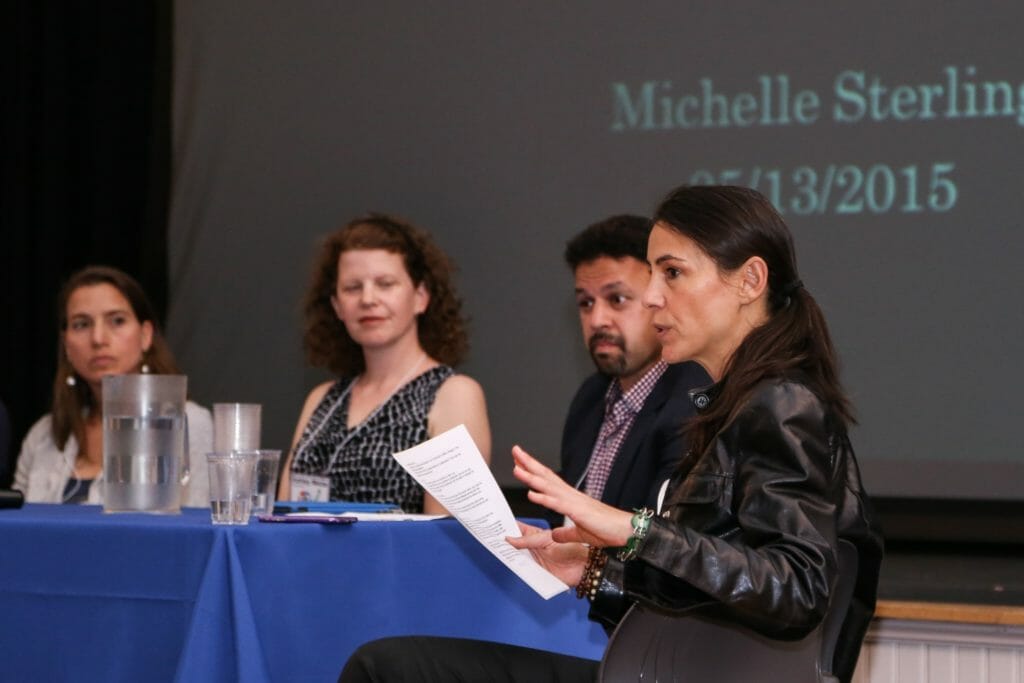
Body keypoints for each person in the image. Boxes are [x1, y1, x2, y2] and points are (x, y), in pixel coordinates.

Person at [338, 185, 884, 683]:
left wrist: (635, 529)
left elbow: (796, 589)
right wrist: (597, 571)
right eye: (650, 274)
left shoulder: (782, 402)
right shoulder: (739, 404)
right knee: (392, 663)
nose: (651, 297)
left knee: (389, 668)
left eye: (672, 272)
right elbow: (710, 592)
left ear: (749, 281)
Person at [279, 213, 491, 514]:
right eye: (353, 287)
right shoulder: (322, 399)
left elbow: (444, 538)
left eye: (385, 283)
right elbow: (284, 515)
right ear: (337, 306)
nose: (368, 299)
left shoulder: (453, 394)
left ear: (420, 297)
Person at [14, 265, 212, 506]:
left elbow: (198, 527)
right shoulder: (44, 434)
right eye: (81, 324)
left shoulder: (186, 421)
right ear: (66, 345)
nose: (98, 338)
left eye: (116, 321)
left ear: (145, 335)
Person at [558, 215, 709, 521]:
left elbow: (666, 540)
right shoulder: (591, 397)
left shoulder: (691, 406)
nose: (597, 320)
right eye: (586, 303)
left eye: (617, 299)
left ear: (659, 298)